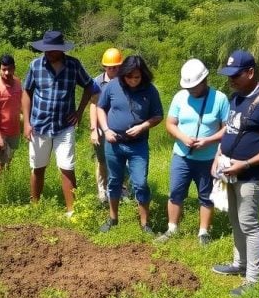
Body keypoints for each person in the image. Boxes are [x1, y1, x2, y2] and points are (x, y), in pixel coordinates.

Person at [211, 50, 259, 295]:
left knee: (249, 224)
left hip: (252, 175)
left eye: (236, 75)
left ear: (251, 72)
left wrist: (246, 164)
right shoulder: (236, 98)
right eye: (229, 75)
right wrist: (217, 157)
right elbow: (230, 132)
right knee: (235, 220)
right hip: (230, 170)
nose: (231, 79)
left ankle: (254, 280)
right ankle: (239, 263)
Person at [21, 30, 95, 217]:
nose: (48, 53)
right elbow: (26, 92)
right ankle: (35, 207)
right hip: (39, 125)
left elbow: (89, 86)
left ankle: (72, 212)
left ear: (61, 50)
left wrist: (79, 112)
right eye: (45, 49)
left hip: (64, 126)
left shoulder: (73, 65)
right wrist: (26, 123)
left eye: (52, 50)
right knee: (37, 167)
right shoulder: (35, 66)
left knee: (67, 167)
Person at [157, 58, 229, 245]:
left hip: (208, 158)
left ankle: (203, 232)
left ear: (205, 81)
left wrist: (209, 140)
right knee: (176, 192)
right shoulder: (179, 97)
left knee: (205, 195)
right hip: (182, 155)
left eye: (195, 86)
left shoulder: (220, 99)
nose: (192, 90)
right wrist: (183, 138)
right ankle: (172, 228)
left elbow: (227, 128)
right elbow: (170, 124)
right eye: (189, 87)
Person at [96, 55, 163, 234]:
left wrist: (143, 126)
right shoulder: (112, 86)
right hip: (114, 143)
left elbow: (158, 115)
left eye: (137, 77)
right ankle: (113, 219)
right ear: (123, 74)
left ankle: (145, 224)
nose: (133, 81)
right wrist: (106, 129)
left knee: (140, 183)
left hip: (138, 145)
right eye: (129, 77)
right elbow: (100, 107)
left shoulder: (149, 90)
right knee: (114, 181)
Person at [89, 47, 123, 202]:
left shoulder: (125, 80)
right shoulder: (97, 82)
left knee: (122, 159)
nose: (113, 70)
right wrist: (94, 129)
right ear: (104, 66)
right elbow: (93, 105)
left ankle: (122, 189)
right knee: (102, 160)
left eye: (116, 67)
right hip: (102, 129)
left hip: (120, 127)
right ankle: (102, 191)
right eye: (110, 67)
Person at [0, 54, 22, 176]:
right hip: (1, 132)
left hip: (15, 130)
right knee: (0, 161)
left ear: (14, 68)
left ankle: (6, 183)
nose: (7, 72)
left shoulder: (18, 82)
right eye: (4, 69)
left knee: (9, 159)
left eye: (10, 69)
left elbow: (21, 103)